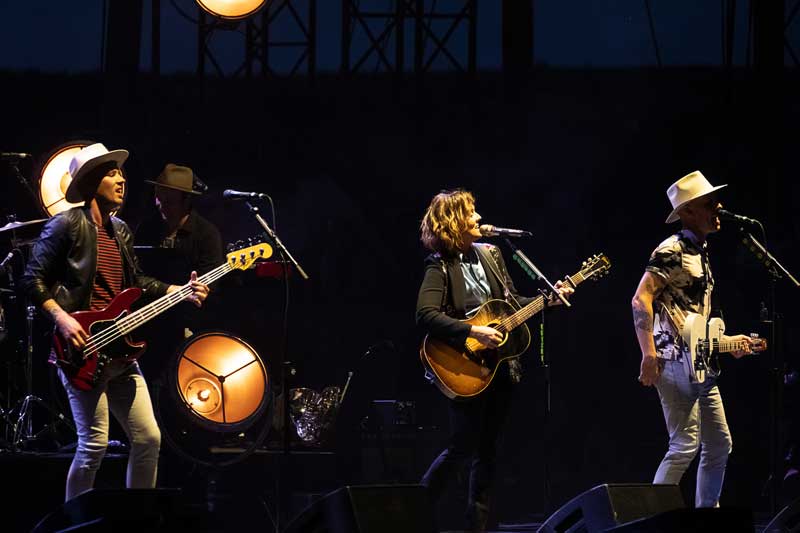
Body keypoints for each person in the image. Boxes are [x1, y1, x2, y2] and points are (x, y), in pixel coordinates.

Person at [20, 143, 209, 501]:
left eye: (120, 172)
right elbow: (31, 280)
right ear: (92, 182)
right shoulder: (66, 224)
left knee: (148, 439)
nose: (122, 179)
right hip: (81, 350)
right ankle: (71, 521)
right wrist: (61, 318)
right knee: (94, 444)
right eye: (111, 173)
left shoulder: (120, 230)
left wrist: (178, 289)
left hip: (119, 349)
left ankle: (137, 519)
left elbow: (136, 284)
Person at [415, 189, 572, 532]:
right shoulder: (439, 265)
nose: (478, 219)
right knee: (461, 447)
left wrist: (547, 301)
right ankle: (411, 511)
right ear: (454, 222)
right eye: (471, 213)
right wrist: (472, 332)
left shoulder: (492, 253)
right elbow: (425, 316)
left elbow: (512, 302)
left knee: (488, 451)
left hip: (498, 366)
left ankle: (478, 527)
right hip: (463, 365)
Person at [632, 170, 757, 508]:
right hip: (672, 361)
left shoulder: (701, 251)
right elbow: (640, 298)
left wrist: (729, 343)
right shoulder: (671, 249)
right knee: (684, 444)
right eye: (709, 203)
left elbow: (694, 321)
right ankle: (652, 517)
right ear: (687, 211)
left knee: (719, 444)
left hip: (702, 363)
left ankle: (707, 515)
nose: (718, 208)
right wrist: (649, 354)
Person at [134, 163, 224, 374]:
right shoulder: (147, 228)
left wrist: (202, 291)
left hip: (186, 325)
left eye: (169, 201)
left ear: (186, 200)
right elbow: (134, 274)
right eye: (158, 197)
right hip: (147, 322)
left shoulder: (207, 233)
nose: (160, 205)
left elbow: (212, 285)